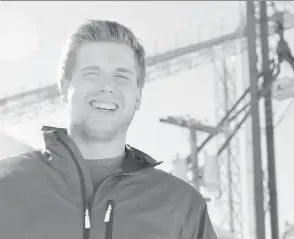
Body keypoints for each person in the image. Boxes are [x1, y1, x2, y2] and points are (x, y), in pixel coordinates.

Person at [0, 19, 218, 239]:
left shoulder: (182, 206)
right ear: (65, 89)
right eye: (92, 73)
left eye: (121, 76)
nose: (107, 86)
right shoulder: (7, 185)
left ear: (138, 97)